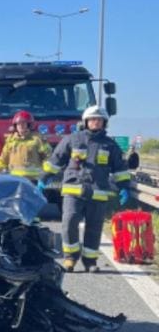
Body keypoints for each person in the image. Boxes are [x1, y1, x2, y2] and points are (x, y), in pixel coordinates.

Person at [41, 105, 134, 272]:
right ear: (86, 121)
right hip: (73, 190)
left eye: (99, 120)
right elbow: (56, 160)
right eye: (92, 119)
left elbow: (120, 169)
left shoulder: (110, 145)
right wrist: (44, 178)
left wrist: (124, 187)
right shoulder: (72, 139)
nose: (95, 122)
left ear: (104, 123)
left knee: (94, 227)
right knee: (69, 223)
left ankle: (90, 261)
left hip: (98, 193)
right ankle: (70, 257)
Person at [0, 110, 51, 180]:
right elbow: (3, 159)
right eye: (18, 124)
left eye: (23, 123)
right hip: (15, 179)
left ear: (29, 125)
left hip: (33, 180)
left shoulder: (37, 139)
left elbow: (48, 157)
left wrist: (46, 175)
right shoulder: (11, 140)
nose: (21, 126)